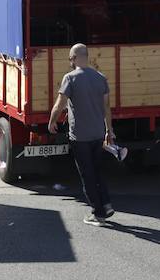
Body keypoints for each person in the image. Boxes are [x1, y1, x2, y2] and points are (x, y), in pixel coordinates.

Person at [48, 44, 115, 227]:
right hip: (98, 134)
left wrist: (52, 121)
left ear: (75, 58)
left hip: (80, 136)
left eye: (70, 59)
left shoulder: (70, 78)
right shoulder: (101, 78)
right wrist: (109, 129)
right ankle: (106, 204)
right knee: (98, 171)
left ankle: (97, 213)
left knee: (87, 175)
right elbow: (107, 108)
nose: (70, 63)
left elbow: (59, 104)